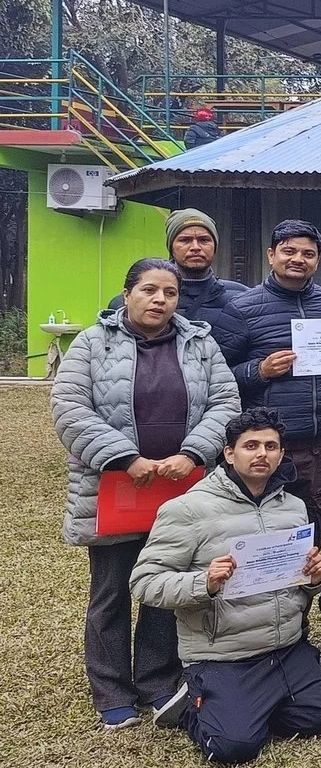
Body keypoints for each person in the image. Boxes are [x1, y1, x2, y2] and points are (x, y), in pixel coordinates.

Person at [53, 257, 240, 730]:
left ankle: (158, 681)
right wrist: (125, 458)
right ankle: (112, 689)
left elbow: (226, 403)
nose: (160, 300)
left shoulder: (200, 344)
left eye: (169, 293)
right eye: (149, 290)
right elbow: (69, 408)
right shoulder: (92, 344)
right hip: (117, 487)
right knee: (111, 591)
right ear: (128, 294)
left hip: (179, 488)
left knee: (166, 586)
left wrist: (193, 453)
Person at [129, 408, 321, 765]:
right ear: (229, 453)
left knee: (315, 719)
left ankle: (248, 701)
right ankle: (196, 700)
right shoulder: (187, 510)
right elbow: (144, 582)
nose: (262, 454)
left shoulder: (294, 507)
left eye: (271, 446)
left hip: (285, 646)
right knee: (233, 747)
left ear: (281, 454)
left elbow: (298, 583)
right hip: (222, 653)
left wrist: (314, 578)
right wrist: (204, 583)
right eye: (250, 446)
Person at [225, 219, 321, 545]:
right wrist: (260, 370)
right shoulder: (241, 307)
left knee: (312, 535)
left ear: (317, 260)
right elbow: (221, 377)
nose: (298, 259)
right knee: (263, 537)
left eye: (308, 254)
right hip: (267, 447)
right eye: (289, 251)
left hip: (318, 446)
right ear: (271, 255)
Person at [108, 208, 247, 363]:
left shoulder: (242, 298)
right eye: (185, 240)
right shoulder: (129, 303)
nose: (195, 247)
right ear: (171, 248)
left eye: (204, 240)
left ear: (215, 247)